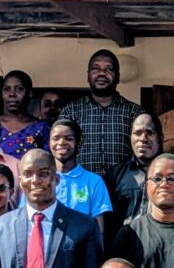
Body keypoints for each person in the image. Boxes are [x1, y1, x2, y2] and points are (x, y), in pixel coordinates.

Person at [62, 49, 144, 177]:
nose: (102, 73)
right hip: (82, 185)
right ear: (88, 76)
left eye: (109, 69)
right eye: (96, 68)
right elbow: (60, 151)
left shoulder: (134, 112)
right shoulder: (70, 112)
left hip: (123, 185)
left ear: (118, 77)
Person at [105, 113, 163, 246]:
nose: (143, 139)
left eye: (150, 133)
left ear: (161, 137)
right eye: (137, 133)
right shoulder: (114, 176)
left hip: (162, 246)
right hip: (125, 248)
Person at [50, 118, 113, 233]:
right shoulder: (41, 180)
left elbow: (99, 230)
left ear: (78, 144)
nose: (61, 142)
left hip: (82, 244)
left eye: (69, 138)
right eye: (56, 138)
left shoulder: (94, 182)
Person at [0, 69, 51, 157]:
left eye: (19, 89)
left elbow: (47, 161)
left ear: (30, 93)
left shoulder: (42, 127)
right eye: (7, 89)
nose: (12, 94)